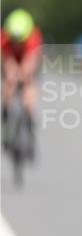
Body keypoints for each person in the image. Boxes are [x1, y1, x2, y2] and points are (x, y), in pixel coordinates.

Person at [1, 9, 44, 156]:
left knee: (29, 90)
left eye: (20, 41)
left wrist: (24, 74)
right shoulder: (5, 38)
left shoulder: (33, 37)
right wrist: (12, 74)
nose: (17, 43)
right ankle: (6, 118)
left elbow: (31, 62)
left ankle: (30, 124)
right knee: (9, 84)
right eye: (14, 40)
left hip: (28, 59)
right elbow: (7, 61)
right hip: (12, 59)